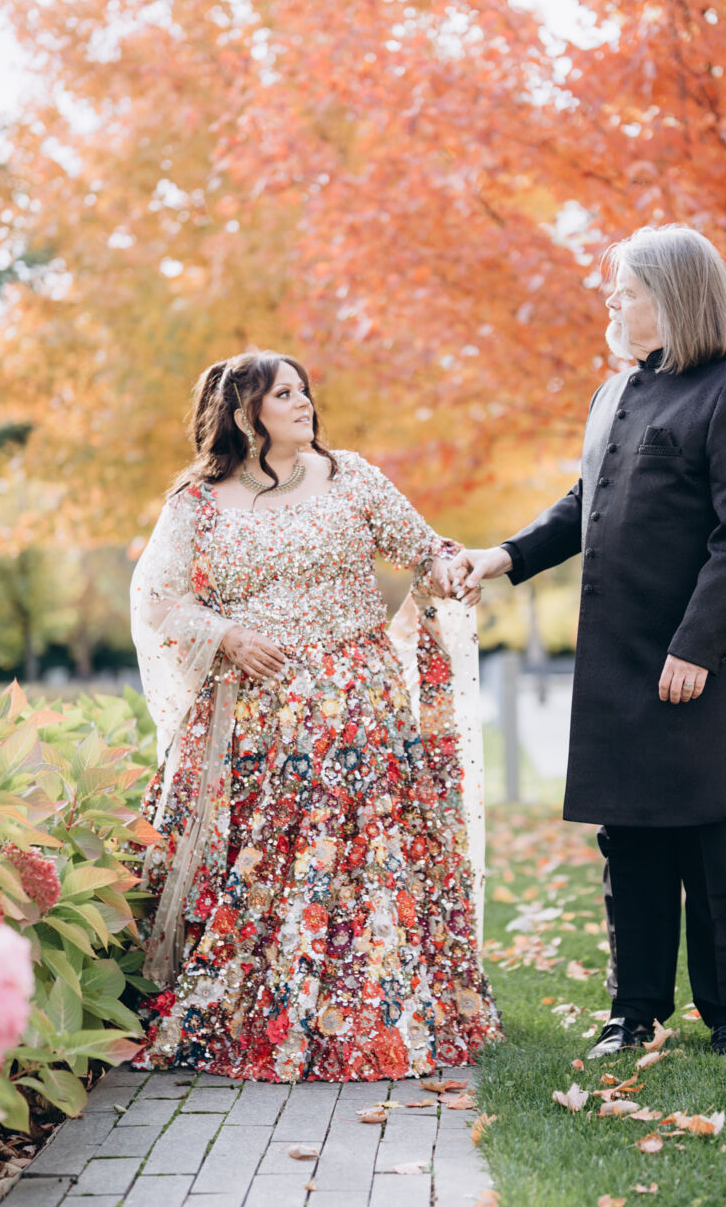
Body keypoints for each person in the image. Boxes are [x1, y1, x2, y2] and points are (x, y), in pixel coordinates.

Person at [450, 224, 726, 1058]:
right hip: (620, 659)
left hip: (701, 660)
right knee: (630, 843)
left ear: (673, 300)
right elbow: (585, 503)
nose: (612, 301)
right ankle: (633, 1012)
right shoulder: (614, 394)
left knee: (715, 844)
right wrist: (506, 556)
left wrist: (695, 647)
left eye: (627, 291)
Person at [129, 349, 500, 1081]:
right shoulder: (198, 502)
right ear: (246, 414)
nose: (304, 403)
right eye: (285, 394)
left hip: (360, 707)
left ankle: (378, 1010)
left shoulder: (350, 476)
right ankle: (266, 1006)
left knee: (364, 854)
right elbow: (158, 600)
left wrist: (451, 571)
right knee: (271, 863)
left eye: (304, 391)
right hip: (257, 715)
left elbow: (422, 549)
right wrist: (227, 635)